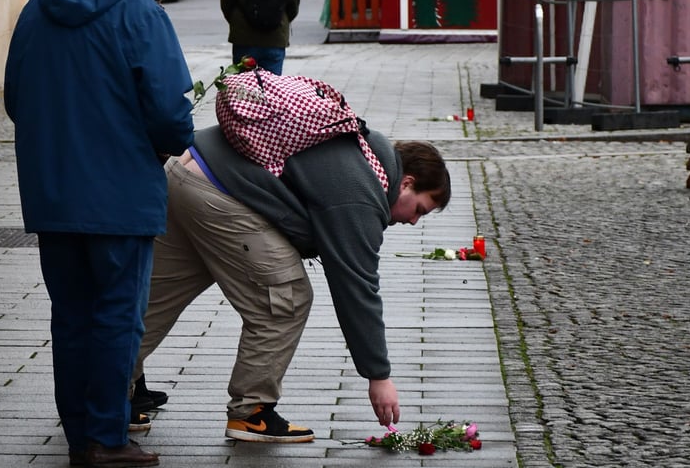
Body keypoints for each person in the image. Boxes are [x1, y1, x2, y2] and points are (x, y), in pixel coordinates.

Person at [3, 0, 194, 468]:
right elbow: (168, 113)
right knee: (116, 314)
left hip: (53, 192)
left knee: (72, 315)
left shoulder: (40, 4)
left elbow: (16, 98)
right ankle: (107, 437)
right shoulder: (139, 10)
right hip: (120, 194)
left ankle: (79, 434)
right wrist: (165, 144)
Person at [132, 127, 451, 443]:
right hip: (217, 193)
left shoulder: (361, 147)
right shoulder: (363, 191)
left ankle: (107, 396)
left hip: (183, 169)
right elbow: (356, 287)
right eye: (420, 210)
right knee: (286, 299)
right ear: (406, 183)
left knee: (152, 300)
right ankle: (251, 413)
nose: (413, 221)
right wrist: (378, 376)